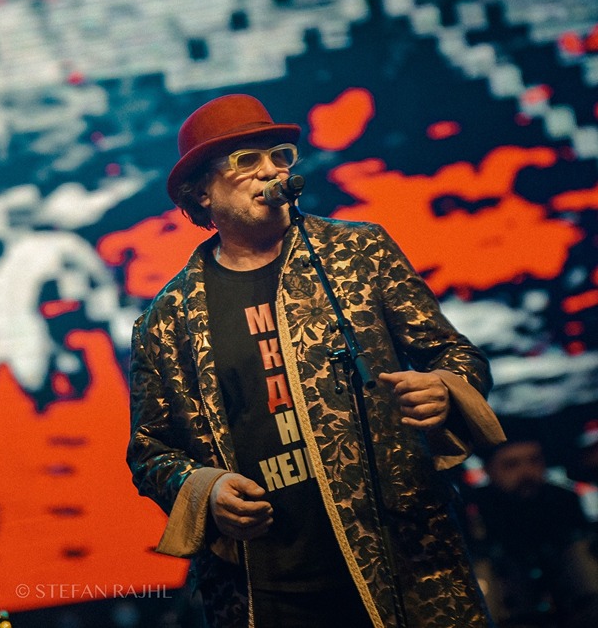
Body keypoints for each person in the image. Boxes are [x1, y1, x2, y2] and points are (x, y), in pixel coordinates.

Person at [126, 94, 506, 628]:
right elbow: (150, 450)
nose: (271, 170)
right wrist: (205, 490)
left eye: (280, 156)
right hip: (266, 582)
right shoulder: (168, 317)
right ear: (201, 192)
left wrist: (445, 385)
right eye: (246, 160)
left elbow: (456, 354)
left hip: (405, 555)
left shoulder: (359, 252)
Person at [463, 437, 598, 627]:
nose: (526, 472)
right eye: (511, 465)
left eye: (534, 460)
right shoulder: (474, 509)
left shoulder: (563, 498)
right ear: (489, 470)